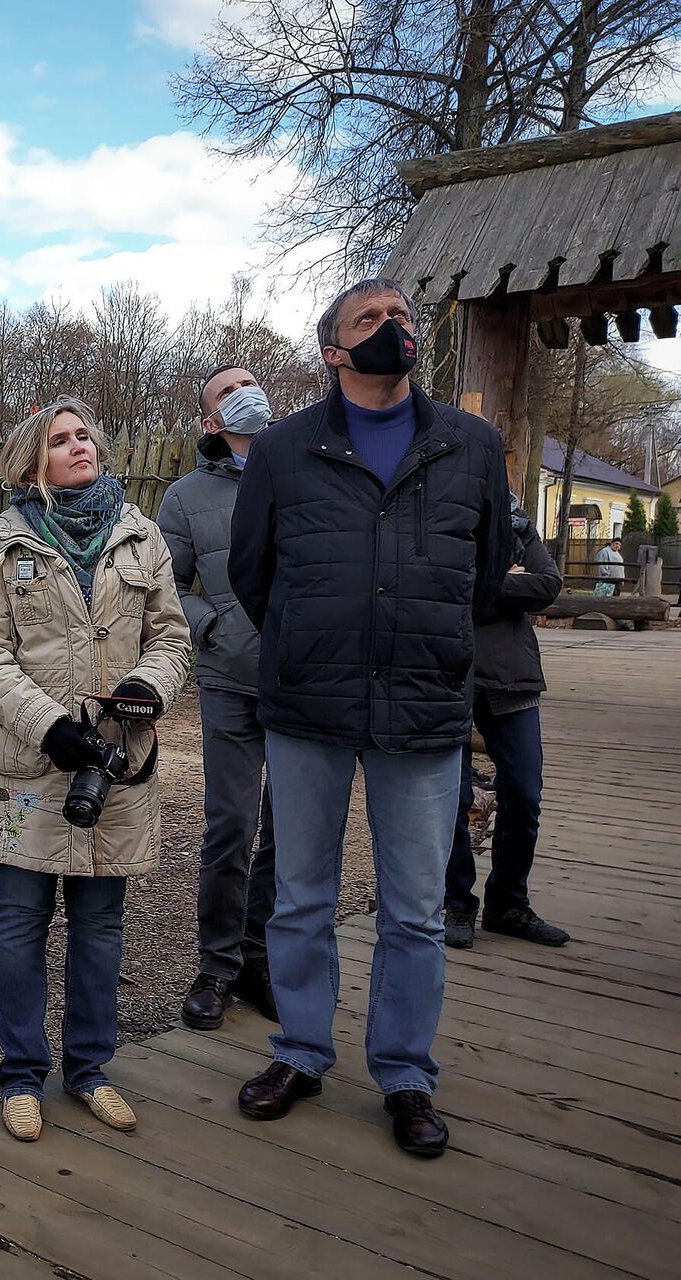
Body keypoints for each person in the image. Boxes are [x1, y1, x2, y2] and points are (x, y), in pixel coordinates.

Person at [229, 279, 511, 1159]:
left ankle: (404, 1074)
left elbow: (492, 565)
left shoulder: (470, 446)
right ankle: (303, 1052)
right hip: (310, 703)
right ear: (333, 351)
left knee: (417, 909)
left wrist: (421, 637)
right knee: (302, 895)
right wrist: (317, 636)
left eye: (402, 318)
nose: (393, 329)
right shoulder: (282, 450)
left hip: (424, 704)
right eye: (370, 320)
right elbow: (251, 573)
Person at [0, 396, 193, 1142]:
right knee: (19, 923)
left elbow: (172, 638)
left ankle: (91, 1070)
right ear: (35, 462)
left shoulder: (142, 536)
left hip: (117, 767)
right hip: (29, 768)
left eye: (84, 436)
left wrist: (146, 688)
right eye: (61, 441)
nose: (79, 447)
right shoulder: (4, 543)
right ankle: (20, 1077)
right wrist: (48, 725)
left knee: (100, 926)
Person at [157, 364, 279, 1031]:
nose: (243, 395)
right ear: (209, 421)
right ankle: (218, 965)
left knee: (290, 833)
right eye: (226, 392)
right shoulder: (185, 498)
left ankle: (263, 959)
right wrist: (214, 626)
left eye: (248, 383)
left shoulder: (306, 472)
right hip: (231, 681)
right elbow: (163, 585)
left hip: (305, 683)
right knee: (232, 826)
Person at [446, 495, 570, 950]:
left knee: (524, 793)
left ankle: (508, 903)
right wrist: (505, 583)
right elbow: (437, 585)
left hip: (512, 676)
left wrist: (483, 585)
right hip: (446, 674)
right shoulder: (444, 512)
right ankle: (456, 901)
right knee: (452, 798)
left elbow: (546, 586)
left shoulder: (518, 524)